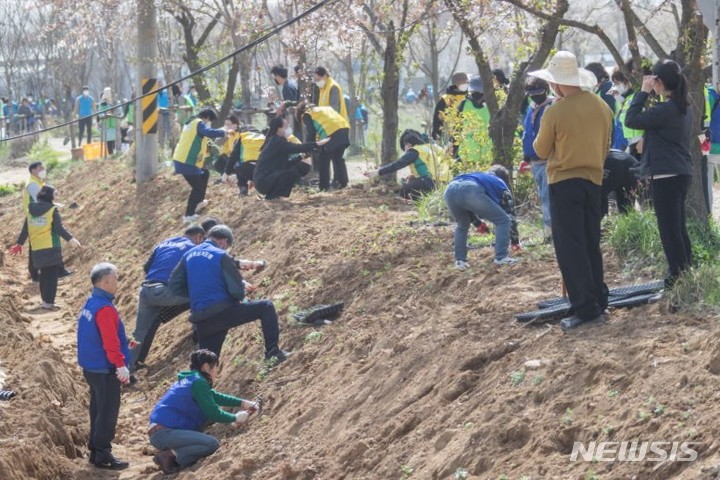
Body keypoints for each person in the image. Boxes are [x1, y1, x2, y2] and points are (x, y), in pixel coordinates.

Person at [531, 51, 613, 330]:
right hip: (594, 181)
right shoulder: (602, 107)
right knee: (591, 242)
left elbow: (539, 150)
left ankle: (585, 308)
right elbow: (606, 146)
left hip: (564, 182)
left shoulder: (556, 110)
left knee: (570, 247)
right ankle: (599, 299)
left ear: (555, 83)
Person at [168, 225, 289, 361]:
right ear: (224, 242)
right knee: (266, 307)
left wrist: (197, 294)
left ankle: (198, 381)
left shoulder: (187, 255)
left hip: (201, 321)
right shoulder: (220, 255)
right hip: (223, 312)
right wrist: (240, 297)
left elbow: (173, 286)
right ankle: (272, 353)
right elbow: (237, 290)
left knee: (205, 365)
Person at [625, 60, 693, 289]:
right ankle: (686, 273)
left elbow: (631, 119)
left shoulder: (665, 109)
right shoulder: (683, 106)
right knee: (678, 228)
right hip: (680, 172)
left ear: (659, 82)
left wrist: (643, 93)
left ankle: (676, 278)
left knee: (669, 231)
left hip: (666, 176)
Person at [148, 349, 259, 474]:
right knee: (211, 444)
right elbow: (213, 413)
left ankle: (175, 451)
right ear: (206, 367)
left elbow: (214, 397)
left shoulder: (192, 379)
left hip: (161, 432)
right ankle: (170, 455)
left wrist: (243, 403)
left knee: (207, 421)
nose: (217, 372)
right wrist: (235, 418)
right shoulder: (199, 382)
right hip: (164, 433)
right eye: (216, 367)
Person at [129, 225, 207, 372]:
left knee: (138, 333)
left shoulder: (165, 243)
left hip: (146, 290)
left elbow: (146, 267)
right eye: (202, 240)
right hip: (164, 292)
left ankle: (126, 368)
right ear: (198, 237)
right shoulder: (192, 248)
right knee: (200, 293)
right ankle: (199, 332)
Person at [77, 263, 131, 470]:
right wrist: (120, 364)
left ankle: (95, 450)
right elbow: (109, 341)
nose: (117, 282)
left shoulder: (91, 302)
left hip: (92, 367)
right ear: (106, 281)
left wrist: (125, 344)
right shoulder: (105, 308)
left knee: (98, 409)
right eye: (115, 279)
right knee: (108, 411)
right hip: (104, 367)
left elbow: (97, 336)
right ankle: (102, 453)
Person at [11, 186, 81, 309]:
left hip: (36, 248)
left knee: (44, 275)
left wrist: (19, 244)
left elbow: (25, 230)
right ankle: (48, 303)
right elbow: (59, 229)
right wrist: (71, 239)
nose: (56, 196)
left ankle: (45, 302)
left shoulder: (31, 209)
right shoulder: (52, 210)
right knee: (51, 277)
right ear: (49, 195)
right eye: (55, 194)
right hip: (50, 247)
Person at [444, 165, 520, 269]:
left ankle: (460, 261)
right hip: (469, 190)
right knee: (503, 221)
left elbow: (464, 200)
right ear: (505, 179)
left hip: (449, 190)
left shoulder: (479, 177)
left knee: (462, 225)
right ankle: (501, 257)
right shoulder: (500, 183)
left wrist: (478, 223)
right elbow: (510, 215)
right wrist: (515, 241)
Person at [172, 107, 227, 224]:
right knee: (197, 187)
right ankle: (189, 214)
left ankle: (199, 202)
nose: (209, 123)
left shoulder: (191, 122)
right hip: (186, 161)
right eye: (210, 120)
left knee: (205, 174)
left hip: (184, 159)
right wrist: (224, 132)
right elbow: (208, 132)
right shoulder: (199, 123)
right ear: (206, 117)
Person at [364, 129, 452, 199]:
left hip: (430, 182)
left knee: (404, 191)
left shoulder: (414, 151)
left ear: (408, 144)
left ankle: (422, 198)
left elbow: (398, 164)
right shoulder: (431, 147)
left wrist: (377, 172)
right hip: (445, 182)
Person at [253, 116, 326, 199]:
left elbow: (286, 164)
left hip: (263, 181)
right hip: (263, 182)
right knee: (291, 174)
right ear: (279, 129)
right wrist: (316, 144)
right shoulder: (277, 142)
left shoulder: (275, 140)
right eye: (286, 126)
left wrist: (300, 157)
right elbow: (297, 147)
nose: (288, 129)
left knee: (290, 171)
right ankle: (272, 196)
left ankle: (273, 196)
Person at [520, 76, 554, 239]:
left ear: (545, 91)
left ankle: (550, 232)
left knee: (548, 198)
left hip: (549, 161)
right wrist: (525, 158)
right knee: (543, 196)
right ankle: (548, 230)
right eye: (531, 93)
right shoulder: (531, 108)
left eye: (538, 93)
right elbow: (527, 133)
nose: (535, 96)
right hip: (534, 162)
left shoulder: (552, 106)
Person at [296, 101, 349, 191]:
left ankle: (324, 187)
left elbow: (311, 132)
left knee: (323, 159)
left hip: (332, 132)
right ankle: (343, 183)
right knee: (338, 158)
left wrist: (307, 147)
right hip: (344, 128)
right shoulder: (323, 110)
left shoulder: (306, 114)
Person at [455, 76, 490, 164]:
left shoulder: (464, 104)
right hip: (475, 154)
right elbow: (457, 128)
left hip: (475, 154)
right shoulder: (465, 104)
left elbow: (456, 128)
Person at [221, 126, 266, 196]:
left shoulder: (243, 137)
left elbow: (234, 156)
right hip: (265, 171)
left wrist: (226, 173)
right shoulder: (263, 137)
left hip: (249, 169)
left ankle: (243, 188)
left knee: (238, 164)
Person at [601, 149, 639, 217]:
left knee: (600, 195)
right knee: (627, 205)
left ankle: (602, 220)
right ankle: (627, 223)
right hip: (631, 162)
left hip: (612, 163)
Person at [432, 72, 468, 141]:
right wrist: (436, 135)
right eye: (465, 82)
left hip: (467, 138)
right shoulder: (445, 100)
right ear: (457, 83)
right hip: (449, 139)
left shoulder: (468, 98)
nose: (466, 84)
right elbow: (437, 120)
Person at [98, 87, 120, 155]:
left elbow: (120, 111)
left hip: (114, 124)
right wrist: (105, 115)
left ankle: (114, 153)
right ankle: (110, 154)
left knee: (114, 140)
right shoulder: (102, 104)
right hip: (106, 125)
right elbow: (100, 113)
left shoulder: (115, 103)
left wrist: (115, 112)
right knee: (108, 141)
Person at [157, 80, 172, 147]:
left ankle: (168, 143)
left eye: (161, 84)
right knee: (160, 129)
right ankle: (161, 144)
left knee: (167, 128)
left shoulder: (166, 92)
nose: (160, 86)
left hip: (166, 113)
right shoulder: (154, 93)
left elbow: (169, 101)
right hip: (158, 113)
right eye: (159, 85)